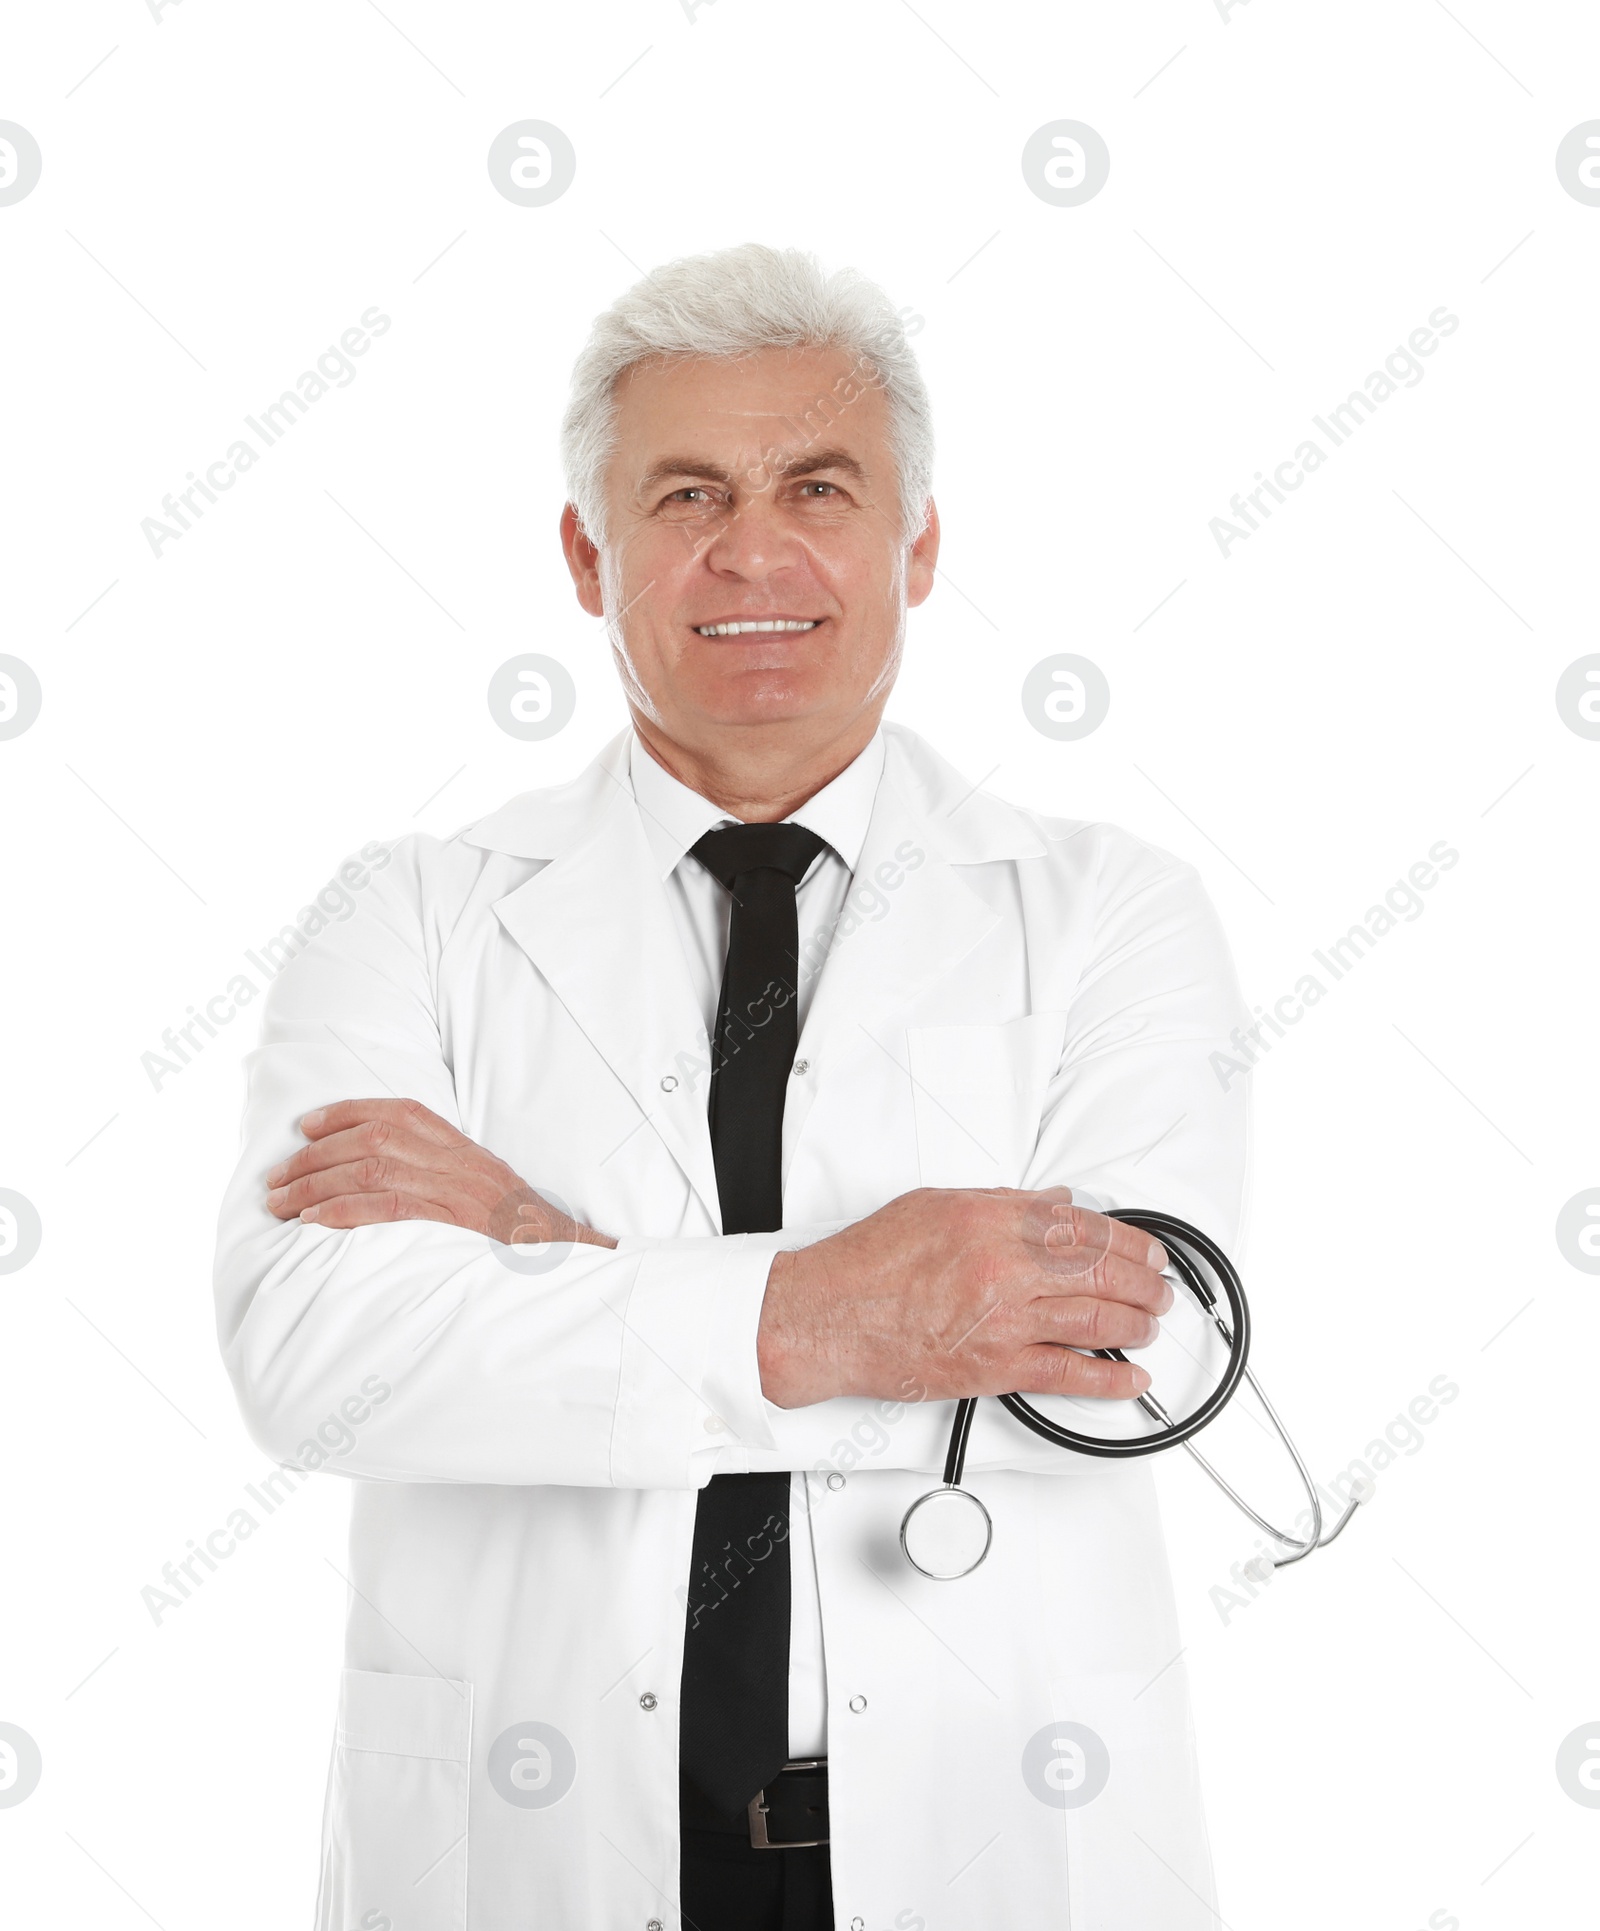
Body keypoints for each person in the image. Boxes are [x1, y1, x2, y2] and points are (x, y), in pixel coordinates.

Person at [214, 243, 1250, 1931]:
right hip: (525, 1839)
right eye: (686, 494)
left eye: (816, 488)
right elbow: (321, 1361)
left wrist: (561, 1257)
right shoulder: (402, 913)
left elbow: (1138, 1365)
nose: (752, 552)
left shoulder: (1107, 910)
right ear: (584, 554)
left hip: (988, 1833)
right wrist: (853, 1308)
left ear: (918, 541)